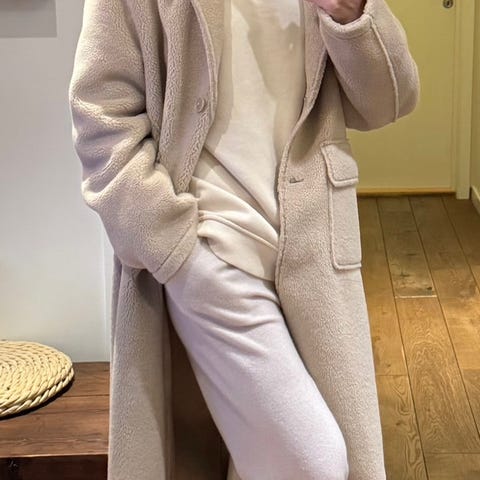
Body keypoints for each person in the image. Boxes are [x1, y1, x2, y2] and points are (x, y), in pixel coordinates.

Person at [68, 0, 419, 478]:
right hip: (209, 247)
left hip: (315, 249)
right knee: (313, 462)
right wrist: (177, 250)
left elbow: (389, 102)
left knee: (268, 458)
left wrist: (353, 14)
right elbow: (100, 116)